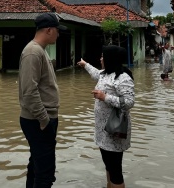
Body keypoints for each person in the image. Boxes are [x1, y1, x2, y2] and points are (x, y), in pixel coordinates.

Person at [18, 12, 67, 188]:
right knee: (45, 174)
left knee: (37, 166)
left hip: (41, 119)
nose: (59, 34)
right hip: (38, 120)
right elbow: (29, 91)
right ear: (48, 30)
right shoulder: (33, 52)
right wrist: (44, 119)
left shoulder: (40, 51)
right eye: (57, 30)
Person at [77, 45, 135, 188]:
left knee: (115, 170)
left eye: (103, 56)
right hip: (103, 130)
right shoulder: (106, 73)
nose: (101, 58)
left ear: (111, 59)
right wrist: (85, 65)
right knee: (109, 166)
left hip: (114, 130)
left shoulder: (123, 77)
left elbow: (129, 102)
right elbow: (97, 74)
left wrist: (105, 97)